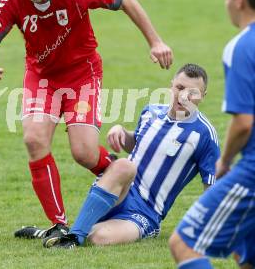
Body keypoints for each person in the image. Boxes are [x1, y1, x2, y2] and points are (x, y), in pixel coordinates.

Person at [0, 0, 173, 244]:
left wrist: (155, 42)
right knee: (33, 139)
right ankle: (59, 224)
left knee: (84, 153)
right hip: (42, 77)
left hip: (82, 75)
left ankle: (122, 176)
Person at [44, 64, 220, 248]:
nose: (184, 97)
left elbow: (212, 186)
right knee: (124, 166)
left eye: (193, 93)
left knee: (99, 238)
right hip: (119, 189)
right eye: (180, 88)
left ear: (203, 95)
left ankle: (68, 232)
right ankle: (73, 238)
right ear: (171, 85)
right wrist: (121, 131)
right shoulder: (150, 112)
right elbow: (138, 143)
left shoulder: (204, 134)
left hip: (144, 212)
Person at [169, 0, 255, 269]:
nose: (226, 3)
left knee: (184, 243)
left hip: (251, 174)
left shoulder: (242, 47)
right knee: (247, 258)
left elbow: (244, 123)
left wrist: (225, 160)